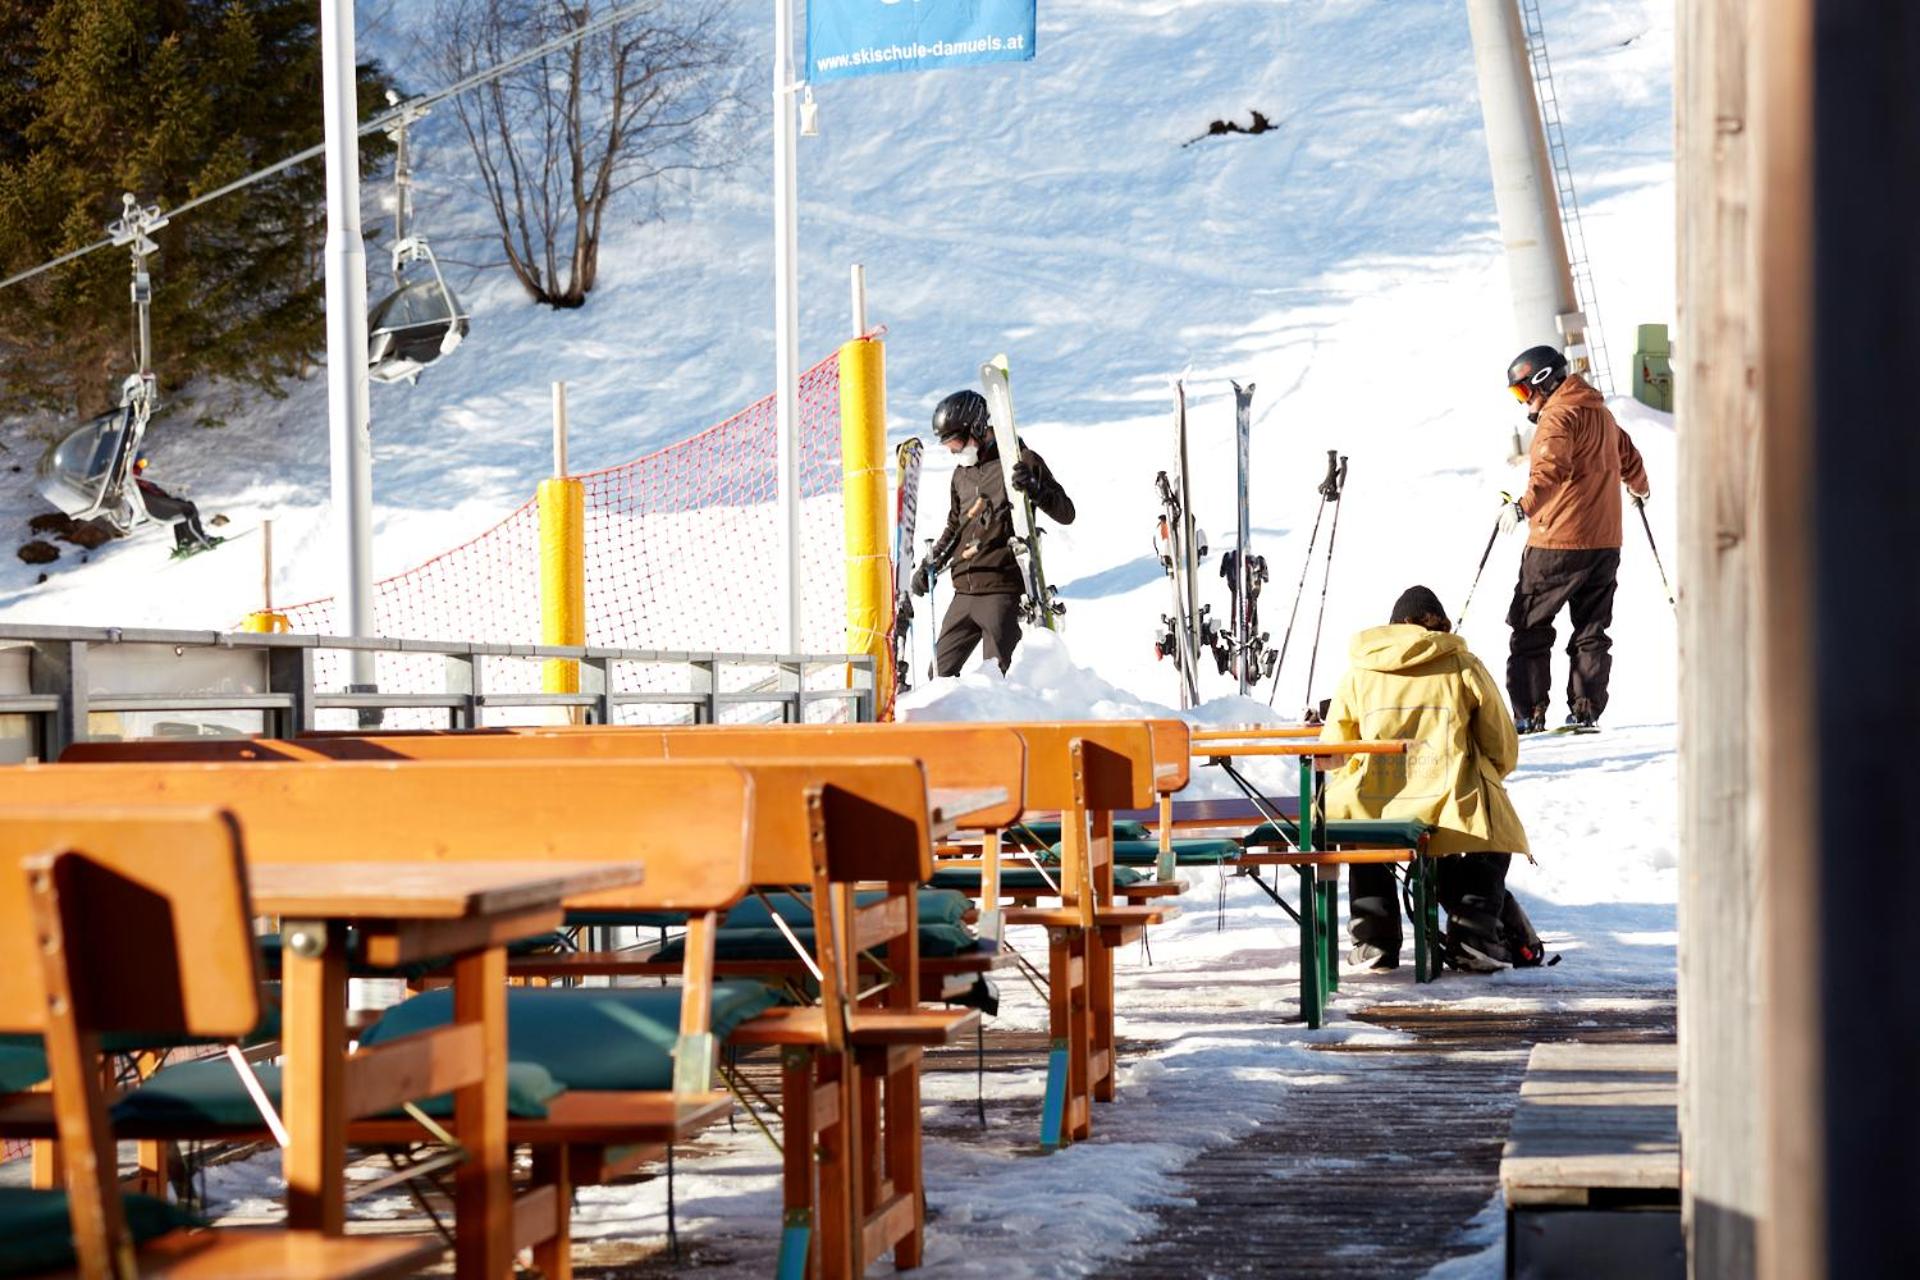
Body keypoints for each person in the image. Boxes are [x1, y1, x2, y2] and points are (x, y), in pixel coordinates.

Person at [1321, 585, 1533, 973]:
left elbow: (1334, 750)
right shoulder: (1462, 664)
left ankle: (1374, 935)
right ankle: (1474, 930)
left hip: (1379, 804)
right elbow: (1499, 740)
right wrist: (1493, 773)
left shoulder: (1359, 672)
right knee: (1495, 834)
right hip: (1448, 800)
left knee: (1364, 826)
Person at [1499, 345, 1650, 731]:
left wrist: (1522, 507)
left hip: (1557, 543)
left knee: (1531, 625)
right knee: (1591, 629)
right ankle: (1586, 709)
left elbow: (1549, 470)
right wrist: (1640, 488)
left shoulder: (1558, 416)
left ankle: (1530, 712)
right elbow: (1629, 456)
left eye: (1522, 392)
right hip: (1604, 544)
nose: (1524, 403)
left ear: (1543, 382)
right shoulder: (1599, 412)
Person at [910, 388, 1075, 676]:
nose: (953, 450)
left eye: (956, 442)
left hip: (1002, 592)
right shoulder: (961, 474)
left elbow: (1066, 513)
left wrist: (1036, 490)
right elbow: (954, 526)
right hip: (964, 592)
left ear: (975, 428)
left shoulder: (1022, 460)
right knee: (938, 675)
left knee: (996, 678)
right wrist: (931, 563)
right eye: (947, 444)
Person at [132, 457, 216, 553]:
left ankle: (183, 542)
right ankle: (195, 541)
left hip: (157, 507)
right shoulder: (138, 483)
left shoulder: (135, 484)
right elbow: (136, 474)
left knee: (179, 507)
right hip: (158, 508)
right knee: (188, 508)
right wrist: (138, 465)